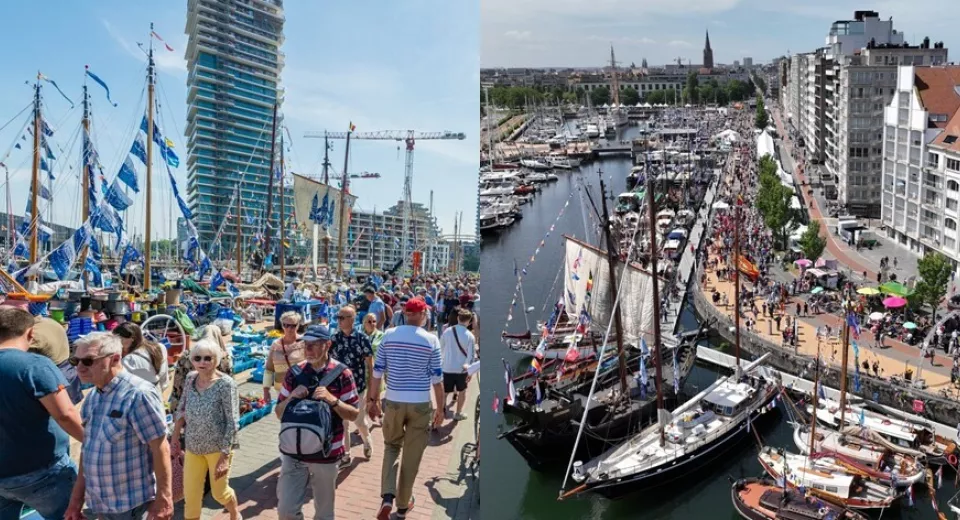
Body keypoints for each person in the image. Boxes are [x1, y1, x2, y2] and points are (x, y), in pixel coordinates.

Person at [65, 332, 172, 520]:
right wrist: (76, 501)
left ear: (114, 359)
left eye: (88, 361)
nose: (79, 368)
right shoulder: (93, 397)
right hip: (103, 505)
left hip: (133, 506)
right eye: (76, 361)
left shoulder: (138, 394)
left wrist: (164, 499)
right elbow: (87, 451)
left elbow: (160, 448)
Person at [0, 307, 83, 520]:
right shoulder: (35, 366)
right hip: (43, 472)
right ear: (30, 334)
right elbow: (65, 413)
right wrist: (91, 440)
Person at [368, 298, 444, 520]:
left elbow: (377, 372)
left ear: (405, 313)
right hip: (420, 403)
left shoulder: (388, 336)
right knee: (412, 456)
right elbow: (437, 380)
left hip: (393, 400)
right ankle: (402, 506)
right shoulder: (431, 340)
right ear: (422, 315)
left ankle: (388, 497)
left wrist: (372, 400)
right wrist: (441, 409)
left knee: (391, 446)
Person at [275, 325, 360, 520]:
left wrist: (333, 400)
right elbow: (279, 413)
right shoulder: (294, 373)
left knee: (324, 513)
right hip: (294, 454)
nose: (309, 350)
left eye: (314, 345)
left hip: (327, 455)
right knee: (286, 511)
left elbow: (354, 414)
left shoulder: (342, 374)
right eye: (306, 345)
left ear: (327, 345)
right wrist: (290, 399)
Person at [171, 340, 240, 520]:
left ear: (216, 360)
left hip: (218, 449)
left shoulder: (226, 384)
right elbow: (182, 409)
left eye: (208, 358)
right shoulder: (190, 378)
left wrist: (225, 457)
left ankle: (234, 512)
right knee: (191, 496)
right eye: (197, 358)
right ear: (192, 360)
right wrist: (175, 438)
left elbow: (233, 422)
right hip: (193, 447)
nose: (202, 362)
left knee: (219, 493)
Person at [330, 305, 374, 464]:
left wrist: (371, 391)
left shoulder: (362, 339)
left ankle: (367, 440)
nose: (339, 321)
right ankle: (346, 454)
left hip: (358, 387)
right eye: (338, 317)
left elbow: (370, 365)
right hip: (339, 387)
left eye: (342, 318)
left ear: (352, 320)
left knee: (359, 421)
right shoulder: (334, 339)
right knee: (343, 422)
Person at [170, 324, 234, 413]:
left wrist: (176, 410)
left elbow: (177, 384)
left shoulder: (187, 356)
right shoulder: (223, 359)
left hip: (188, 403)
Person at [29, 316, 83, 404]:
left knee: (59, 413)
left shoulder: (34, 335)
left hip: (53, 379)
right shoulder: (49, 322)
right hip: (68, 372)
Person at [439, 309, 477, 421]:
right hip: (462, 370)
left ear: (458, 318)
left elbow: (441, 349)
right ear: (469, 321)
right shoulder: (470, 336)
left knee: (444, 392)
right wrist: (470, 371)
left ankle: (441, 410)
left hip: (447, 367)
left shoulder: (447, 331)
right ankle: (458, 413)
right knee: (462, 391)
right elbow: (471, 356)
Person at [114, 322, 170, 392]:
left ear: (132, 339)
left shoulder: (128, 361)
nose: (117, 342)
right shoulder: (160, 347)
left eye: (120, 339)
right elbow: (164, 381)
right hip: (157, 392)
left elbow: (119, 386)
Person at [264, 311, 306, 403]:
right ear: (282, 326)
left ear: (298, 325)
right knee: (283, 414)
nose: (289, 328)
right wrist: (266, 390)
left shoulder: (304, 342)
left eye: (293, 325)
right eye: (286, 325)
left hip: (300, 389)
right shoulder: (275, 344)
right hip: (280, 390)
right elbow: (269, 369)